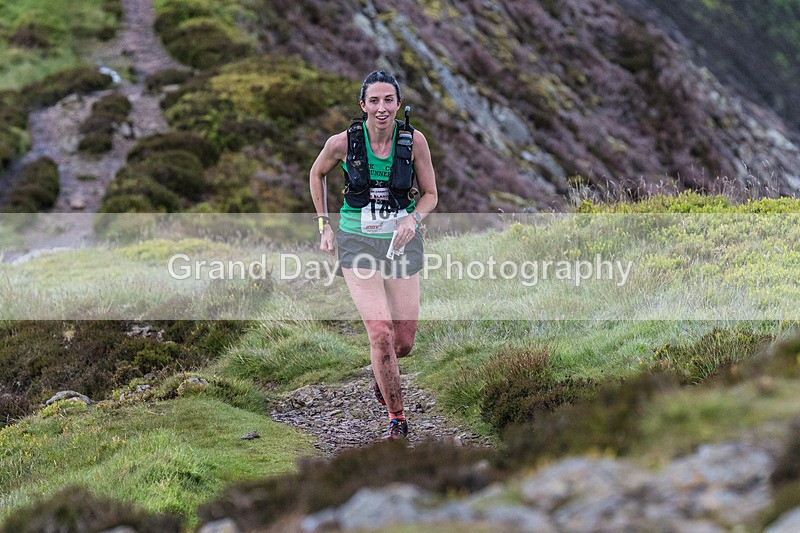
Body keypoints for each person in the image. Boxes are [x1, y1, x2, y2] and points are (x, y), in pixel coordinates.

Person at [309, 70, 438, 441]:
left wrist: (413, 219)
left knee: (403, 342)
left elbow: (430, 194)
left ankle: (382, 373)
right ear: (363, 105)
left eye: (389, 100)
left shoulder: (413, 142)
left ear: (398, 104)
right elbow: (316, 174)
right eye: (374, 101)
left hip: (400, 243)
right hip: (357, 242)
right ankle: (397, 419)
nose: (382, 108)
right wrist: (324, 225)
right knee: (379, 331)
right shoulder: (343, 143)